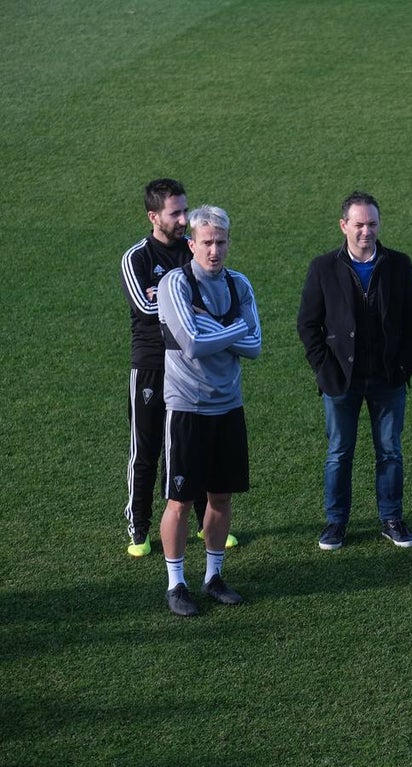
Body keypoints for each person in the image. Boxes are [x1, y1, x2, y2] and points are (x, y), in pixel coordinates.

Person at [298, 192, 412, 551]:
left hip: (388, 379)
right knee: (339, 452)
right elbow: (308, 325)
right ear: (344, 226)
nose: (366, 231)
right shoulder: (323, 267)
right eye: (359, 224)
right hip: (341, 381)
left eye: (372, 224)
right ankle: (336, 523)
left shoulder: (399, 265)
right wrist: (324, 370)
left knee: (390, 451)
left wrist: (403, 367)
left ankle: (391, 518)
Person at [119, 179, 235, 556]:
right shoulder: (136, 257)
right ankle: (139, 528)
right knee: (147, 448)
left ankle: (205, 524)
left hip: (189, 366)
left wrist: (180, 302)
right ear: (154, 216)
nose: (184, 218)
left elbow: (209, 300)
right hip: (152, 365)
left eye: (186, 210)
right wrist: (184, 304)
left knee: (191, 446)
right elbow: (148, 307)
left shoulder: (193, 249)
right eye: (175, 213)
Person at [156, 205, 261, 616]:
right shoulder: (174, 284)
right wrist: (233, 329)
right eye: (206, 243)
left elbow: (255, 347)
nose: (214, 251)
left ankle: (213, 576)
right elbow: (192, 344)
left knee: (221, 496)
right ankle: (176, 584)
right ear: (191, 243)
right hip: (186, 407)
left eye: (220, 243)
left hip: (228, 407)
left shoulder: (239, 284)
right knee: (180, 501)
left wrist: (213, 326)